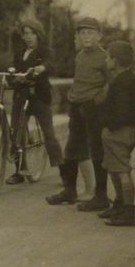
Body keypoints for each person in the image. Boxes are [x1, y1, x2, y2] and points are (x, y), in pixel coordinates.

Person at [47, 16, 109, 209]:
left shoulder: (105, 57)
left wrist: (97, 99)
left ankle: (100, 196)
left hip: (92, 109)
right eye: (82, 33)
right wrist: (73, 98)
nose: (86, 37)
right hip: (76, 107)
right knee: (72, 149)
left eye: (90, 33)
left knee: (96, 151)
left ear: (99, 35)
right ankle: (70, 190)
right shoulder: (80, 55)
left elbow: (110, 82)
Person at [5, 19, 63, 185]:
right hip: (21, 96)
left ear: (38, 35)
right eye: (25, 34)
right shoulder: (19, 52)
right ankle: (19, 171)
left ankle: (63, 171)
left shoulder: (43, 51)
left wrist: (42, 68)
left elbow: (51, 64)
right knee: (16, 131)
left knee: (49, 134)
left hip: (39, 96)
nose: (28, 37)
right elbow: (14, 71)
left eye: (32, 33)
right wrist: (12, 77)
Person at [98, 41, 135, 226]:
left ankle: (129, 212)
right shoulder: (128, 79)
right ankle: (120, 204)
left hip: (119, 132)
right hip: (124, 131)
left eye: (109, 57)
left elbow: (123, 111)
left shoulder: (122, 81)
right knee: (114, 169)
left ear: (115, 61)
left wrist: (109, 123)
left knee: (122, 171)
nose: (107, 60)